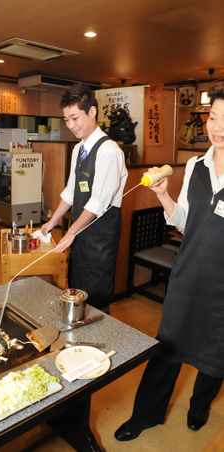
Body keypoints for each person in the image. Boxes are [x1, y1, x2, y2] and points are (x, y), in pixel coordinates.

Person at [115, 84, 224, 442]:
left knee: (216, 354)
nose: (217, 127)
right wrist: (164, 196)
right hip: (188, 274)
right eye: (213, 117)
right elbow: (183, 221)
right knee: (167, 348)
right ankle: (145, 415)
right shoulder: (196, 166)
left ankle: (199, 407)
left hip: (221, 286)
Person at [41, 84, 128, 313]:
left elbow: (98, 202)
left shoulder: (108, 151)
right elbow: (71, 192)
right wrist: (53, 221)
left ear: (92, 112)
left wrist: (70, 232)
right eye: (66, 119)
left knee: (95, 297)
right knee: (77, 288)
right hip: (80, 232)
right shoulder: (78, 149)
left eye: (74, 118)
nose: (71, 125)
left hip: (100, 238)